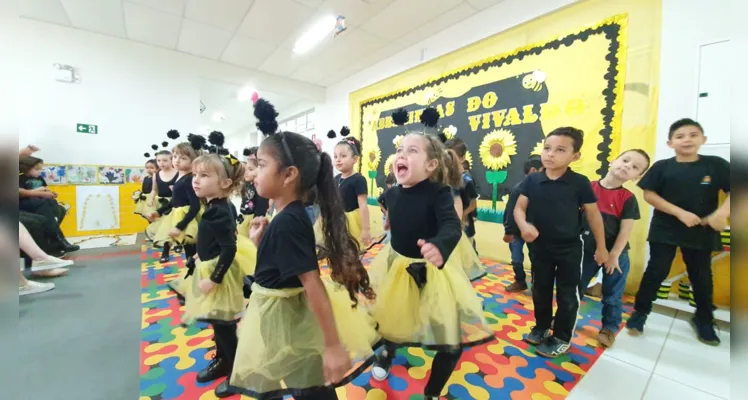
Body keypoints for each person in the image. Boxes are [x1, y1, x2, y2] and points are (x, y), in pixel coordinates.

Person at [224, 109, 379, 399]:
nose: (253, 172)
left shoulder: (290, 222)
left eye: (261, 164)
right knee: (298, 381)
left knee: (309, 389)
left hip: (289, 318)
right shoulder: (283, 216)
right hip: (279, 314)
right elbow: (283, 266)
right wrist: (261, 242)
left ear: (289, 175)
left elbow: (312, 282)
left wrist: (332, 345)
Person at [367, 133, 494, 400]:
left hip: (436, 270)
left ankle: (432, 393)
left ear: (431, 165)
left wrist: (438, 245)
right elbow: (392, 216)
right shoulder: (390, 194)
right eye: (400, 149)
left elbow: (450, 224)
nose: (402, 155)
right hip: (399, 269)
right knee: (393, 321)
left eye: (412, 151)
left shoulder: (440, 194)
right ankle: (387, 355)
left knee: (450, 342)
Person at [626, 118, 730, 346]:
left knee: (701, 275)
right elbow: (649, 195)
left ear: (703, 140)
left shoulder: (716, 165)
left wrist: (722, 213)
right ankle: (640, 313)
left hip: (702, 230)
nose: (687, 140)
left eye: (693, 135)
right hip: (666, 229)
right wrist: (680, 213)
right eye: (680, 136)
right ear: (670, 142)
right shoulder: (663, 166)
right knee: (656, 270)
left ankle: (703, 319)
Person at [514, 127, 608, 358]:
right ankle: (542, 326)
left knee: (568, 295)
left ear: (575, 156)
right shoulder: (532, 180)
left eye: (560, 150)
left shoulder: (580, 183)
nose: (550, 154)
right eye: (547, 148)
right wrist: (524, 226)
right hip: (539, 249)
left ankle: (562, 337)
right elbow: (519, 208)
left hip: (569, 249)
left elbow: (594, 216)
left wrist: (602, 247)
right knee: (540, 289)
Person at [181, 153, 251, 395]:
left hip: (218, 274)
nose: (195, 180)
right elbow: (220, 239)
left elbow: (229, 247)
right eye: (195, 175)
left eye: (204, 175)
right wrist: (202, 253)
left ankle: (238, 373)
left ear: (225, 184)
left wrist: (214, 279)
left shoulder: (218, 210)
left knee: (224, 326)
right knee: (217, 321)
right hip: (210, 265)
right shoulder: (216, 206)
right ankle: (223, 361)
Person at [576, 149, 650, 348]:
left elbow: (625, 231)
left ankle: (608, 328)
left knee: (613, 295)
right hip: (585, 252)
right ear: (612, 161)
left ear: (637, 177)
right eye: (625, 160)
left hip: (616, 255)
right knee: (574, 288)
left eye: (635, 167)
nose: (627, 166)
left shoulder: (628, 198)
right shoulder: (587, 188)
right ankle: (565, 320)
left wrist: (613, 255)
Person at [18, 156, 79, 253]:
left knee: (54, 204)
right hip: (28, 202)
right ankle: (60, 240)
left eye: (40, 169)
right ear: (26, 168)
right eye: (37, 169)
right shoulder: (20, 178)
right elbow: (22, 194)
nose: (39, 172)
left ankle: (55, 241)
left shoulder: (40, 178)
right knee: (42, 204)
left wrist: (50, 193)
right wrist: (40, 191)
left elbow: (46, 189)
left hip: (42, 201)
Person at [503, 156, 543, 292]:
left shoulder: (543, 188)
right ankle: (520, 281)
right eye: (543, 170)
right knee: (516, 259)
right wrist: (508, 231)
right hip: (516, 232)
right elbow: (509, 211)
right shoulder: (519, 189)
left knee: (536, 259)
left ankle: (536, 286)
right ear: (533, 170)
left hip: (535, 232)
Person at [333, 137, 372, 250]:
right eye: (335, 156)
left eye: (343, 156)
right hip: (337, 219)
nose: (338, 160)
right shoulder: (336, 179)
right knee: (338, 250)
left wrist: (365, 229)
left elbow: (363, 205)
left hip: (352, 222)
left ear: (354, 159)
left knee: (351, 250)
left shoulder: (358, 180)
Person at [446, 138, 479, 251]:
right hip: (447, 227)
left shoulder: (466, 179)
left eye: (453, 157)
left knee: (466, 259)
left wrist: (461, 216)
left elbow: (472, 205)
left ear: (462, 158)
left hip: (464, 227)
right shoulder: (445, 177)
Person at [145, 150, 178, 240]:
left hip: (173, 203)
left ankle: (173, 240)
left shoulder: (178, 173)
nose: (161, 163)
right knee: (160, 223)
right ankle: (164, 241)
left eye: (165, 160)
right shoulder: (156, 175)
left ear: (171, 160)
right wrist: (151, 199)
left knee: (172, 223)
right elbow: (154, 189)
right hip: (160, 202)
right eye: (158, 161)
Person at [237, 154, 268, 237]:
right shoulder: (249, 185)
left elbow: (261, 208)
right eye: (246, 169)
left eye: (250, 169)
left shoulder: (260, 188)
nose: (246, 172)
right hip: (244, 218)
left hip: (252, 220)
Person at [377, 172, 396, 244]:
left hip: (394, 217)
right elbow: (378, 201)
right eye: (390, 184)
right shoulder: (387, 193)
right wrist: (385, 211)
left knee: (392, 237)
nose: (391, 186)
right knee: (388, 237)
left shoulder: (397, 193)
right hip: (387, 217)